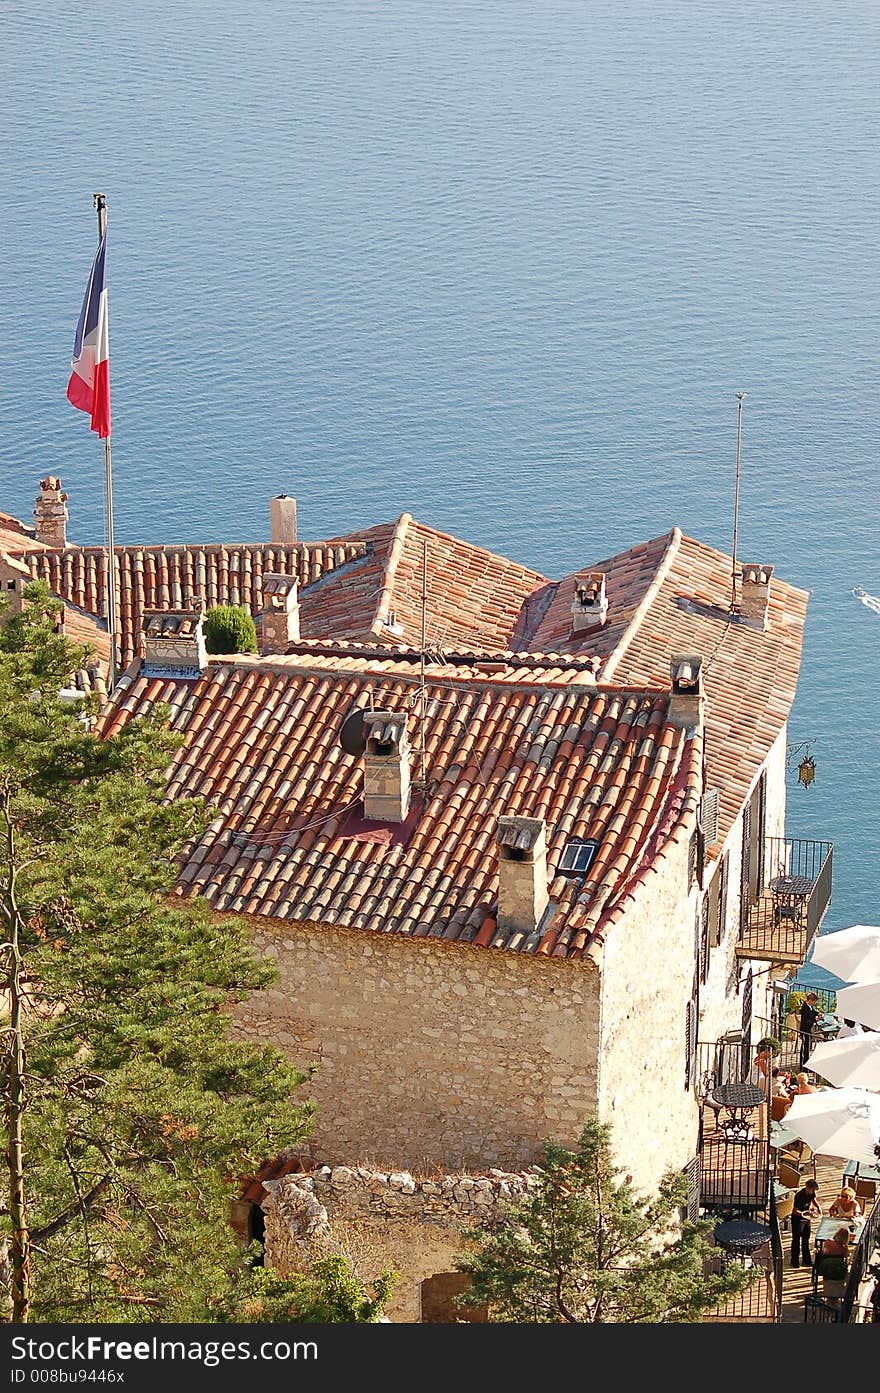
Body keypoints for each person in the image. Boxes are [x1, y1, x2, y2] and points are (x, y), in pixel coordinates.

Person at [790, 1178, 821, 1268]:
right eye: (813, 1190)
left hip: (806, 1218)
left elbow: (814, 1201)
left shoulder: (812, 1194)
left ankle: (806, 1260)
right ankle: (794, 1261)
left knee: (806, 1239)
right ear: (808, 1188)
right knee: (796, 1240)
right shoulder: (799, 1196)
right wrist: (804, 1214)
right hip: (797, 1219)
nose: (813, 1192)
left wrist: (818, 1209)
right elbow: (795, 1210)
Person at [799, 992, 821, 1067]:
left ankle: (806, 1064)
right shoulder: (805, 1008)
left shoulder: (809, 1006)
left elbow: (813, 1011)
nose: (814, 1003)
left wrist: (818, 1014)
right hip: (805, 1030)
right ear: (811, 1000)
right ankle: (804, 1066)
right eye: (814, 1002)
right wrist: (816, 1020)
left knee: (807, 1048)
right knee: (805, 1049)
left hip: (809, 1030)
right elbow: (806, 1022)